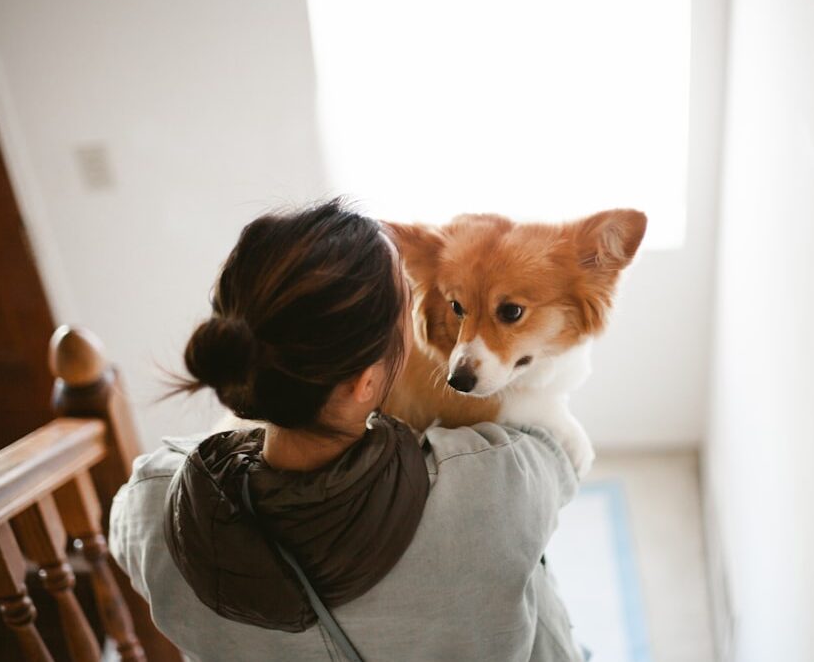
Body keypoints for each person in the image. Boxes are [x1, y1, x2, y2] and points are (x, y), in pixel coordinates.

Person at [109, 199, 584, 661]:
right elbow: (566, 453)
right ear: (366, 383)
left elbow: (129, 547)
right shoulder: (500, 481)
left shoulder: (150, 501)